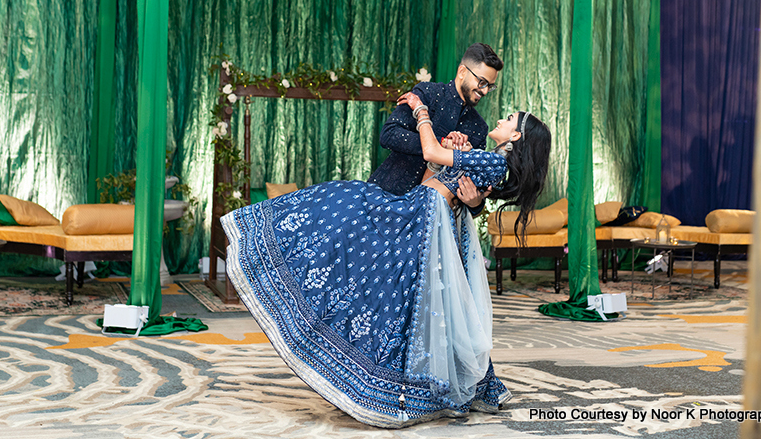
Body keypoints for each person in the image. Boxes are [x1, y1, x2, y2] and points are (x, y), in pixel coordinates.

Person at [221, 92, 551, 428]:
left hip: (416, 217)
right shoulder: (486, 159)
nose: (501, 118)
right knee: (387, 288)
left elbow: (429, 153)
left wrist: (422, 112)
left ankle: (391, 384)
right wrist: (456, 154)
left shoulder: (495, 162)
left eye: (510, 119)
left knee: (343, 205)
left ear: (515, 136)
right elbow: (435, 177)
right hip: (419, 211)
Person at [368, 43, 504, 215]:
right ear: (462, 72)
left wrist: (475, 203)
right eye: (482, 82)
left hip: (433, 224)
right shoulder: (428, 94)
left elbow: (472, 201)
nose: (484, 91)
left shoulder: (478, 127)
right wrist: (442, 143)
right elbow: (389, 134)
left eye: (490, 86)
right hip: (386, 199)